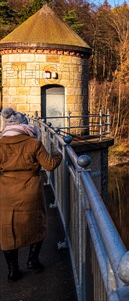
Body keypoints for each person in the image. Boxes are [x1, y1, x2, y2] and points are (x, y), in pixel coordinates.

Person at [0, 107, 62, 282]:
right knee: (37, 223)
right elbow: (49, 165)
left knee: (7, 229)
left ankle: (13, 270)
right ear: (23, 125)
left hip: (6, 193)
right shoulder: (33, 143)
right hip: (30, 191)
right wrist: (58, 154)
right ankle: (33, 260)